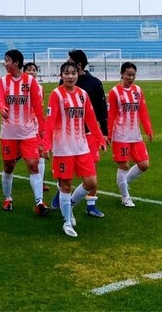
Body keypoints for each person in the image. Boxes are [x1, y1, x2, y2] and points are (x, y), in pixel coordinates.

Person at [43, 60, 106, 237]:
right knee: (66, 184)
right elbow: (50, 121)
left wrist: (100, 139)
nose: (70, 76)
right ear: (61, 75)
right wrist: (47, 145)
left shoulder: (82, 94)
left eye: (73, 73)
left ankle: (69, 204)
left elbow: (90, 119)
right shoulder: (56, 94)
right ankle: (67, 221)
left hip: (82, 146)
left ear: (78, 75)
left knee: (91, 182)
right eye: (66, 73)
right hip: (63, 148)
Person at [0, 49, 49, 215]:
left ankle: (39, 202)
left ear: (16, 63)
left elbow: (37, 107)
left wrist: (42, 130)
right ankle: (8, 198)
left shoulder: (31, 83)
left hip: (28, 132)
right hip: (8, 132)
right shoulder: (2, 82)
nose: (5, 63)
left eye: (7, 60)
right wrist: (1, 107)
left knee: (33, 165)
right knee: (9, 165)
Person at [107, 61, 154, 207]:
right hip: (121, 135)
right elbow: (111, 114)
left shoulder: (138, 91)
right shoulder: (115, 92)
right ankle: (125, 197)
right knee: (124, 165)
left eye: (133, 75)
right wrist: (108, 134)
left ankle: (123, 183)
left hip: (135, 135)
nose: (131, 78)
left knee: (144, 164)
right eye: (128, 75)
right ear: (121, 74)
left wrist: (148, 130)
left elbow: (143, 112)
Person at [68, 49, 108, 218]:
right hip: (69, 134)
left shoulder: (94, 83)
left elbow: (101, 109)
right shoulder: (65, 82)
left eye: (70, 62)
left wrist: (104, 133)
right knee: (68, 169)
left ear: (78, 65)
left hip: (89, 134)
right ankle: (63, 195)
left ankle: (91, 204)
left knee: (92, 171)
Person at [22, 61, 49, 192]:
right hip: (21, 126)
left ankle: (41, 181)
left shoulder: (40, 88)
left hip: (36, 125)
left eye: (34, 69)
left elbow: (40, 107)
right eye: (28, 69)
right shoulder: (21, 86)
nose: (32, 72)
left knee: (41, 154)